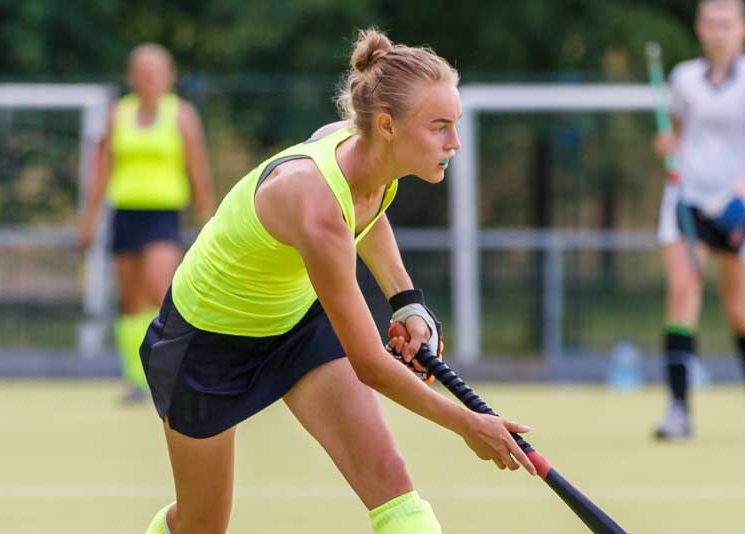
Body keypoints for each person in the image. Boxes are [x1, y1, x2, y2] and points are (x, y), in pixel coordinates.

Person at [138, 28, 535, 534]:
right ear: (388, 125)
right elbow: (371, 363)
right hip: (204, 345)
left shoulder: (369, 159)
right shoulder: (315, 205)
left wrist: (407, 302)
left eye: (454, 125)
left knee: (394, 489)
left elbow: (367, 215)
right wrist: (469, 425)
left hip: (295, 325)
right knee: (200, 525)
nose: (454, 142)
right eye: (439, 127)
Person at [652, 0, 745, 442]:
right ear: (700, 28)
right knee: (682, 295)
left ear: (744, 29)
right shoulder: (683, 79)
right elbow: (677, 134)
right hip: (686, 200)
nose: (719, 31)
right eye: (711, 23)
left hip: (737, 207)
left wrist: (741, 190)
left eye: (727, 24)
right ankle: (679, 410)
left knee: (739, 309)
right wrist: (667, 145)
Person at [78, 44, 216, 403]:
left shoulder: (182, 115)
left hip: (163, 217)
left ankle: (174, 373)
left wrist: (210, 220)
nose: (149, 78)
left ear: (169, 76)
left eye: (156, 71)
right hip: (126, 216)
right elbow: (101, 170)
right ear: (132, 77)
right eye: (142, 71)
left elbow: (197, 170)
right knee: (131, 301)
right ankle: (135, 379)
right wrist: (89, 220)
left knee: (161, 291)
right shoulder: (116, 115)